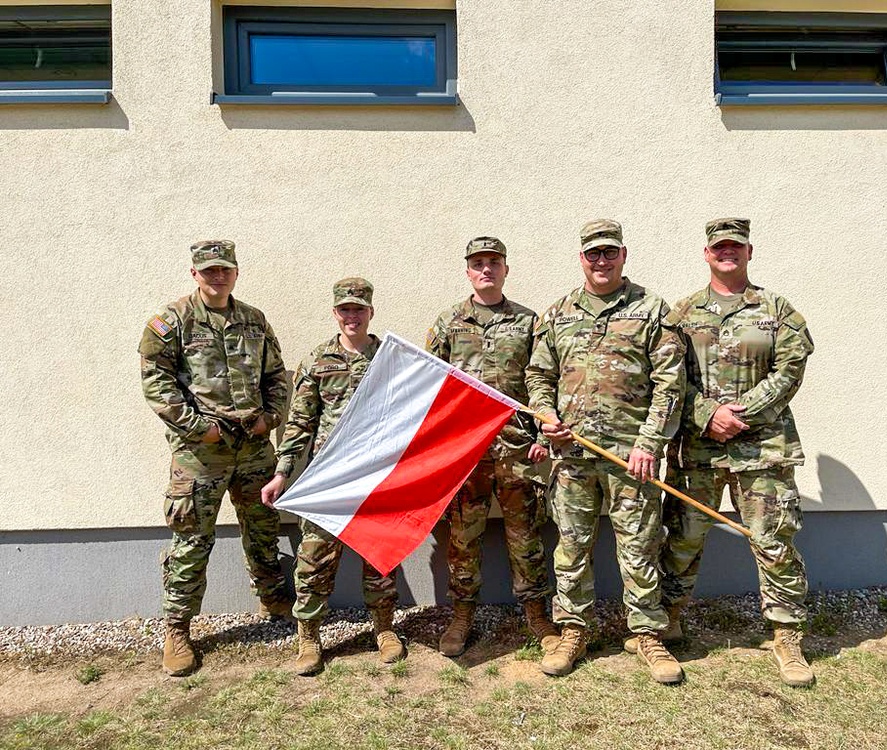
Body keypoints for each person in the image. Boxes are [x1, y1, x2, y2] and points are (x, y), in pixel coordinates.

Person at [525, 219, 687, 683]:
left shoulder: (652, 310)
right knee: (572, 548)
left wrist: (649, 442)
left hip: (631, 458)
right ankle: (573, 629)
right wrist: (544, 415)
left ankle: (646, 634)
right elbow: (539, 376)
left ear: (623, 255)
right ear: (581, 258)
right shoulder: (557, 314)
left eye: (609, 252)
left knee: (639, 547)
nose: (601, 260)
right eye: (593, 253)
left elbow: (669, 383)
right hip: (572, 457)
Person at [658, 217, 816, 687]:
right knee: (683, 537)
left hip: (763, 449)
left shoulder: (777, 309)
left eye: (736, 247)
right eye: (719, 247)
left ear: (749, 253)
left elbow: (790, 370)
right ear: (706, 254)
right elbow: (669, 379)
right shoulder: (682, 314)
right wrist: (708, 414)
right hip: (699, 449)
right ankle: (669, 619)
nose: (728, 253)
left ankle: (787, 636)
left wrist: (740, 411)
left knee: (773, 541)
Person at [139, 240, 291, 677]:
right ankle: (178, 627)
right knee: (191, 542)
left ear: (236, 273)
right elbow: (156, 384)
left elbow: (276, 375)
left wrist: (271, 417)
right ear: (195, 274)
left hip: (253, 448)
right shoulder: (171, 322)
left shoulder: (254, 319)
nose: (217, 276)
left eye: (224, 269)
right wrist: (197, 427)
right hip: (200, 455)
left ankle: (273, 596)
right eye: (209, 271)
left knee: (263, 528)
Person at [260, 278, 405, 675]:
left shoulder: (390, 359)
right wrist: (282, 473)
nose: (352, 316)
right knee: (314, 560)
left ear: (371, 312)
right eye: (345, 310)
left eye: (359, 309)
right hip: (330, 478)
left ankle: (385, 628)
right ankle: (308, 635)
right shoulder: (318, 361)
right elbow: (299, 424)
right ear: (335, 313)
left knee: (380, 557)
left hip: (376, 477)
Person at [426, 236, 559, 657]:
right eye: (478, 263)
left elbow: (543, 380)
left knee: (526, 536)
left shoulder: (529, 322)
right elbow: (428, 389)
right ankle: (462, 615)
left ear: (506, 269)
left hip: (518, 448)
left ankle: (537, 613)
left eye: (494, 262)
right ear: (468, 270)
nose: (486, 269)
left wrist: (541, 436)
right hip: (466, 454)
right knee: (463, 538)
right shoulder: (448, 323)